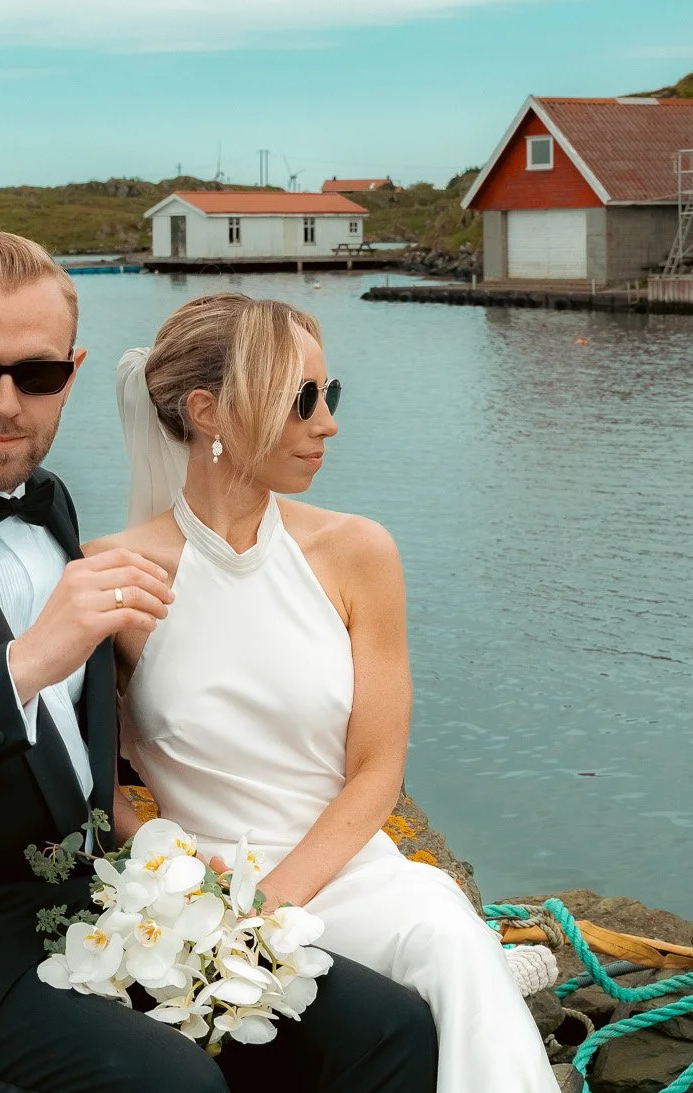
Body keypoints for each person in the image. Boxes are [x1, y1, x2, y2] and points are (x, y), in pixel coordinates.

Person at [0, 233, 438, 1093]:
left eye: (36, 375)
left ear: (72, 371)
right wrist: (21, 666)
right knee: (173, 1086)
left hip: (94, 906)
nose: (6, 403)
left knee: (388, 1031)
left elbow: (70, 760)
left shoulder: (48, 502)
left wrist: (156, 853)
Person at [102, 292, 557, 1093]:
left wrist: (268, 903)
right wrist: (173, 875)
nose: (328, 422)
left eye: (330, 394)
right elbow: (88, 776)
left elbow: (377, 769)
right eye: (300, 399)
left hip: (353, 874)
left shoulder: (357, 553)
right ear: (207, 411)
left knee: (453, 945)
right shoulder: (116, 576)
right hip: (204, 892)